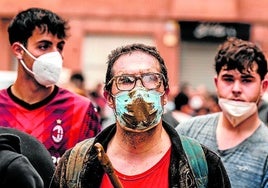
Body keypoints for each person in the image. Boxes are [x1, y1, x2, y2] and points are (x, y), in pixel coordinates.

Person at [52, 43, 230, 187]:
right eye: (125, 81)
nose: (138, 90)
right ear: (109, 98)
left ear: (165, 94)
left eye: (150, 79)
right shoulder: (75, 165)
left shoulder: (203, 165)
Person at [0, 7, 101, 165]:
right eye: (43, 46)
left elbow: (93, 175)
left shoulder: (81, 110)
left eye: (59, 47)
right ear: (19, 50)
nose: (55, 55)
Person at [176, 37, 268, 188]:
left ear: (263, 87)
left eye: (247, 80)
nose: (236, 89)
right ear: (216, 83)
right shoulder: (187, 132)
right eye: (228, 79)